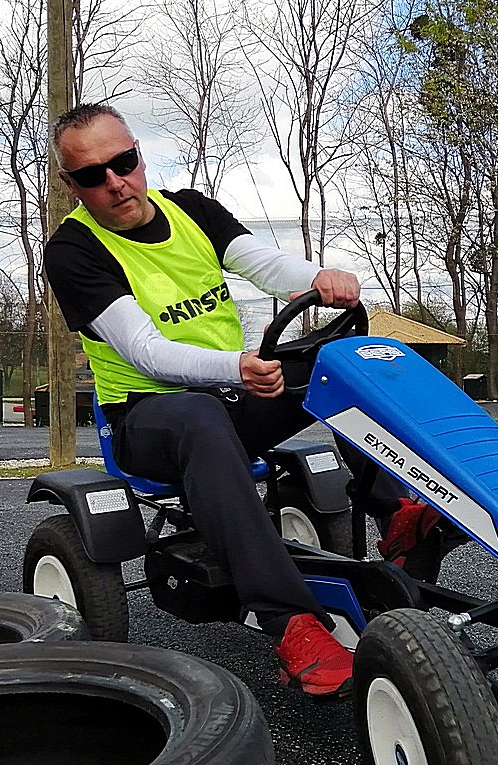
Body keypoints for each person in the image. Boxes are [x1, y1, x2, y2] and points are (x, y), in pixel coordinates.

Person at [43, 101, 451, 698]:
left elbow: (262, 263)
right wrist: (235, 369)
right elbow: (146, 352)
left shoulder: (192, 211)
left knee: (338, 364)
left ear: (138, 154)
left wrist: (316, 278)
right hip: (146, 419)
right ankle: (289, 622)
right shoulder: (74, 250)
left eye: (122, 162)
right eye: (90, 175)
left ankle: (400, 509)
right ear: (71, 184)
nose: (114, 182)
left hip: (229, 402)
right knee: (198, 414)